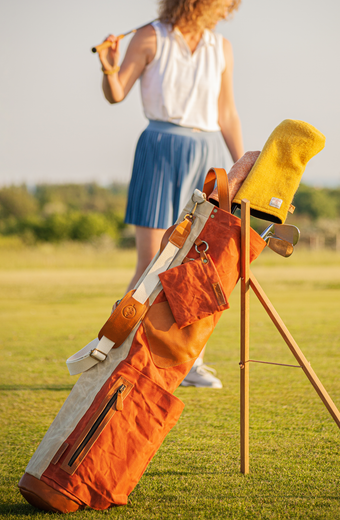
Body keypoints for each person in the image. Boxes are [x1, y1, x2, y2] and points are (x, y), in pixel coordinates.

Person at [97, 0, 243, 388]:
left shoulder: (221, 46)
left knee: (196, 263)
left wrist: (241, 168)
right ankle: (116, 355)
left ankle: (188, 361)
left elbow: (226, 113)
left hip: (209, 152)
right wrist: (109, 64)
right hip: (160, 148)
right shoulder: (149, 36)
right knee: (151, 265)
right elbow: (116, 93)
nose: (227, 8)